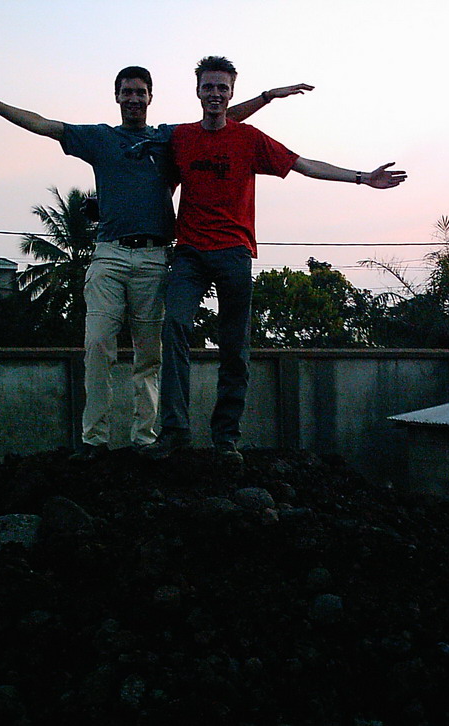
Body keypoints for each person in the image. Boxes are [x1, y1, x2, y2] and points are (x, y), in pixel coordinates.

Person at [0, 70, 312, 460]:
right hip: (109, 255)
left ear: (150, 97)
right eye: (127, 93)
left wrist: (265, 97)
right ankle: (94, 440)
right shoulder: (100, 138)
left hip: (155, 258)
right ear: (117, 97)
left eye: (140, 92)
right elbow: (42, 124)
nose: (134, 99)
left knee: (149, 354)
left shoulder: (168, 137)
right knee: (98, 345)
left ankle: (146, 438)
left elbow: (219, 118)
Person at [143, 56, 406, 461]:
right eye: (208, 87)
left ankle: (225, 437)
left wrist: (361, 177)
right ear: (197, 91)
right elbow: (153, 183)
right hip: (190, 253)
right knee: (174, 327)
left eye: (222, 88)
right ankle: (174, 431)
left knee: (235, 345)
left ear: (231, 92)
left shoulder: (249, 139)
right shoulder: (180, 138)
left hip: (234, 252)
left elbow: (304, 165)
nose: (215, 94)